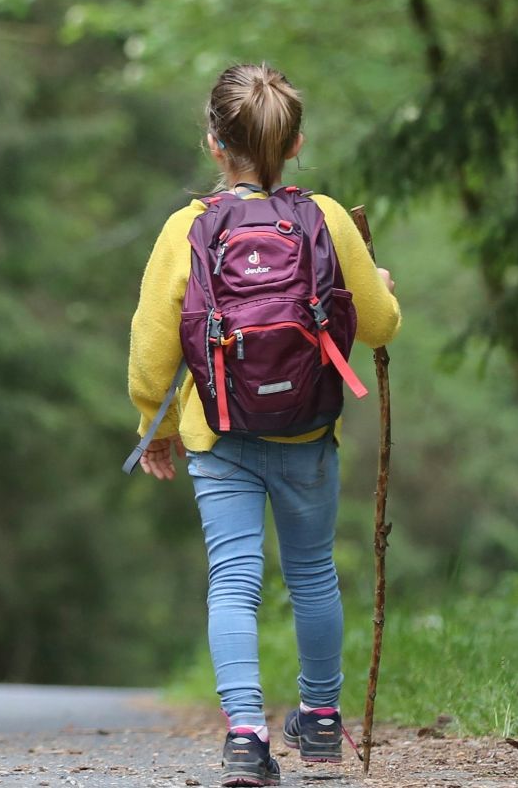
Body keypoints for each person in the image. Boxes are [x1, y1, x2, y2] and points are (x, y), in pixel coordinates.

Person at [126, 64, 400, 788]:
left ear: (214, 143)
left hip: (220, 436)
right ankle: (319, 721)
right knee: (312, 575)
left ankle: (246, 735)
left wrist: (152, 427)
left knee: (233, 582)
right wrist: (380, 285)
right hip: (308, 434)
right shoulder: (328, 219)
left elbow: (152, 349)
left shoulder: (187, 228)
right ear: (297, 143)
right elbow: (378, 324)